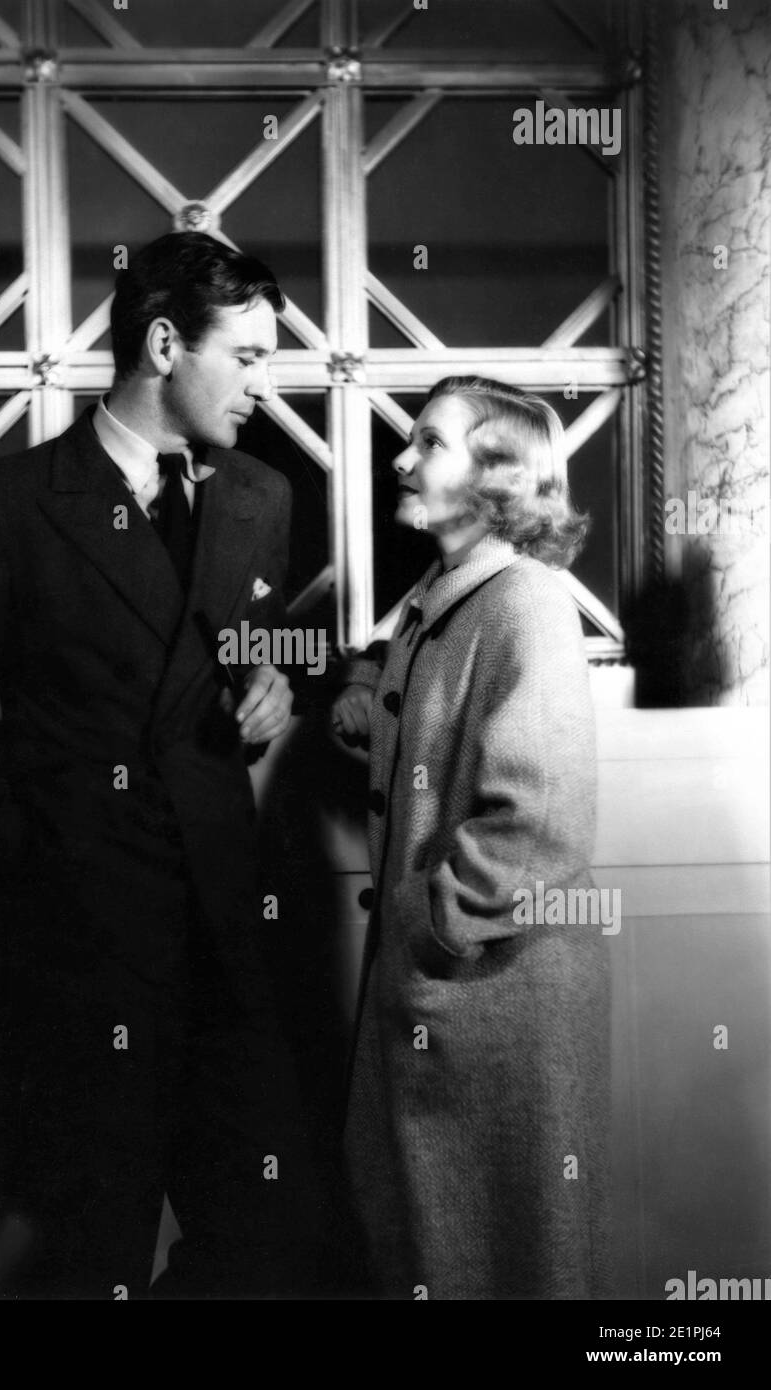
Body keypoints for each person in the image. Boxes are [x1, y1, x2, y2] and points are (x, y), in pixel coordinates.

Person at [0, 231, 321, 1300]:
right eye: (247, 356)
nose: (267, 384)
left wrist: (272, 688)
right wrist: (31, 864)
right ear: (166, 343)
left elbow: (244, 655)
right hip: (75, 964)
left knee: (273, 1234)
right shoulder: (7, 507)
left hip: (223, 941)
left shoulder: (261, 498)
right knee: (74, 1262)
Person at [332, 375, 612, 1300]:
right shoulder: (446, 599)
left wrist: (428, 924)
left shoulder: (523, 601)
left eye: (427, 442)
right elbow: (424, 718)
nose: (400, 458)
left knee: (495, 1268)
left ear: (497, 473)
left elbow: (537, 823)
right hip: (452, 1011)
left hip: (490, 1009)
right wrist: (358, 696)